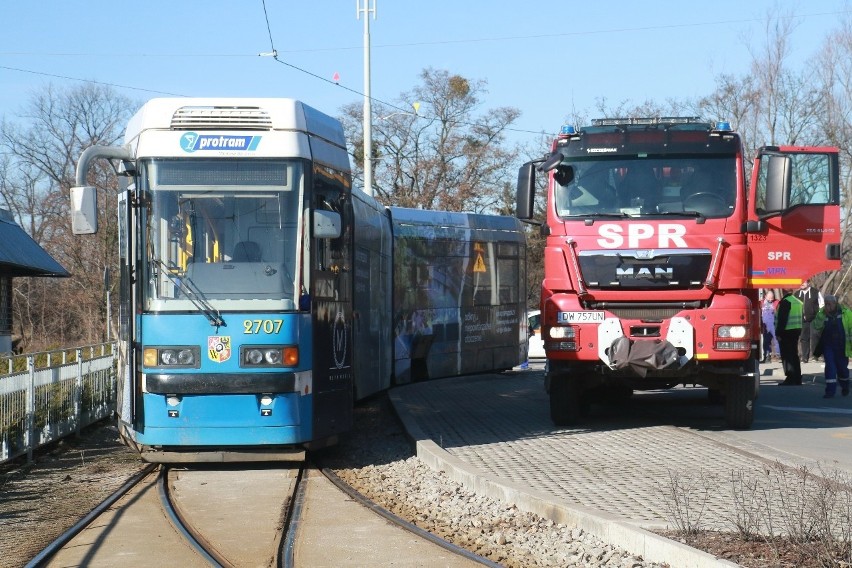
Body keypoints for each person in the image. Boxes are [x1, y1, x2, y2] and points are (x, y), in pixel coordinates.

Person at [811, 295, 852, 398]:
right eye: (826, 304)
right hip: (828, 346)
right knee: (830, 367)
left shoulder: (846, 313)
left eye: (830, 304)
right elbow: (816, 326)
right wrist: (822, 315)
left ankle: (845, 385)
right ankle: (830, 391)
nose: (828, 306)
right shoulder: (822, 313)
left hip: (842, 346)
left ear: (835, 303)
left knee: (842, 369)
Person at [775, 288, 804, 386]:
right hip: (796, 330)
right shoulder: (798, 301)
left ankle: (790, 377)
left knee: (787, 355)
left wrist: (778, 333)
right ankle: (797, 377)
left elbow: (782, 319)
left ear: (783, 291)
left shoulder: (786, 302)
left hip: (786, 331)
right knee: (794, 354)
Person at [796, 279, 821, 363]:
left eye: (804, 282)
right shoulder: (797, 294)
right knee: (804, 338)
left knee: (814, 336)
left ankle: (815, 356)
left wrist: (820, 316)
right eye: (801, 282)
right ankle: (804, 357)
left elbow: (822, 304)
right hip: (802, 320)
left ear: (808, 283)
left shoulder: (815, 292)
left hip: (814, 318)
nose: (802, 284)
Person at [760, 290, 780, 363]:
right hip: (765, 325)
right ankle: (767, 355)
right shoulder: (761, 303)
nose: (771, 300)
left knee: (776, 339)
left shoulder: (776, 302)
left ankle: (778, 355)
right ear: (765, 296)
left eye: (772, 298)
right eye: (769, 298)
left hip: (774, 324)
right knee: (766, 341)